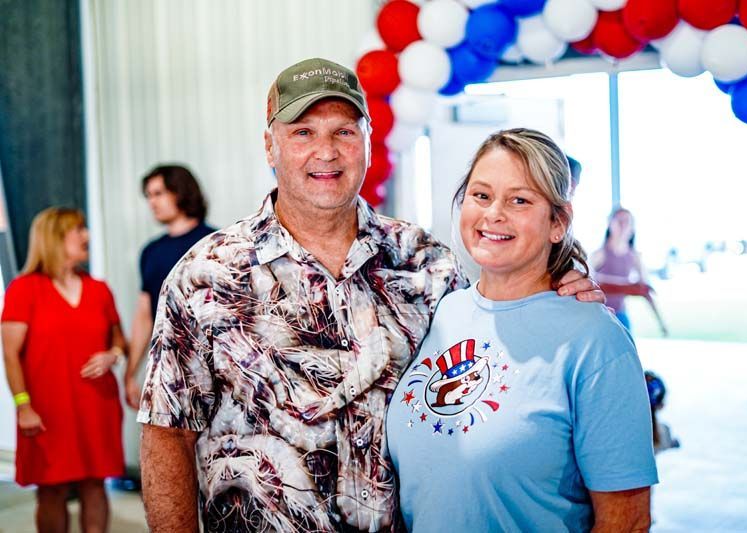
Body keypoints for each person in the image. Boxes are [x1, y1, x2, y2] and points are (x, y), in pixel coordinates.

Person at [135, 57, 604, 532]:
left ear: (367, 142)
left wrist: (555, 290)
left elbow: (497, 347)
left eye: (344, 131)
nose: (326, 152)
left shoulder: (428, 265)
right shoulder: (206, 275)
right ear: (270, 146)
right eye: (303, 133)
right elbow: (167, 434)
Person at [386, 129, 657, 531]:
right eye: (481, 195)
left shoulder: (596, 341)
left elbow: (627, 521)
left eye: (519, 200)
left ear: (558, 222)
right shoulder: (444, 310)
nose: (494, 213)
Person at [1, 207, 126, 532]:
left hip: (97, 405)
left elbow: (119, 341)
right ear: (55, 238)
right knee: (51, 489)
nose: (87, 235)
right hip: (46, 411)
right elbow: (10, 354)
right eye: (79, 229)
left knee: (95, 485)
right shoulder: (24, 289)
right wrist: (22, 405)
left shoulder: (99, 289)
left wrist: (112, 355)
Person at [123, 164, 214, 410]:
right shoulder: (150, 252)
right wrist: (131, 372)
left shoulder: (215, 243)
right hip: (167, 365)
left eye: (159, 193)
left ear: (180, 192)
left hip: (211, 366)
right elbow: (144, 315)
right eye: (149, 196)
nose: (152, 202)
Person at [591, 207, 667, 335]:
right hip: (599, 315)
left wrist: (661, 323)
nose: (623, 224)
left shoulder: (635, 257)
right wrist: (627, 286)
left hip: (620, 314)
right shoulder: (599, 254)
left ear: (632, 229)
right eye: (619, 220)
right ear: (610, 224)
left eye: (627, 221)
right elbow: (588, 281)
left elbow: (645, 290)